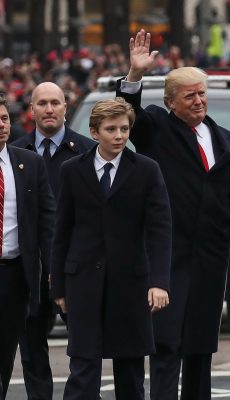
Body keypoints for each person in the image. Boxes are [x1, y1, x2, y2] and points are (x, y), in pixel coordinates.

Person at [116, 30, 230, 400]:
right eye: (189, 96)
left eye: (201, 94)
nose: (198, 101)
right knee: (166, 344)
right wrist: (134, 75)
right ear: (171, 102)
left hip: (211, 258)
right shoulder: (157, 128)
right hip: (168, 256)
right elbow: (127, 115)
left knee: (200, 347)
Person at [50, 97, 172, 400]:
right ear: (94, 132)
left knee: (130, 371)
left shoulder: (146, 170)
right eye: (111, 129)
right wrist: (59, 287)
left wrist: (158, 282)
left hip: (131, 284)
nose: (119, 136)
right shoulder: (71, 170)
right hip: (82, 283)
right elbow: (61, 231)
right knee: (82, 368)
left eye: (124, 129)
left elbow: (160, 230)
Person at [11, 81, 96, 400]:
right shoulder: (15, 153)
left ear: (66, 107)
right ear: (31, 110)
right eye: (42, 103)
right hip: (30, 266)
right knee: (31, 346)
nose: (49, 109)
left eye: (55, 103)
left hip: (75, 265)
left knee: (84, 343)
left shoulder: (88, 150)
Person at [0, 95, 55, 400]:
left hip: (13, 275)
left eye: (5, 119)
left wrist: (51, 269)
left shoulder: (29, 163)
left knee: (5, 354)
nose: (1, 126)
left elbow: (48, 222)